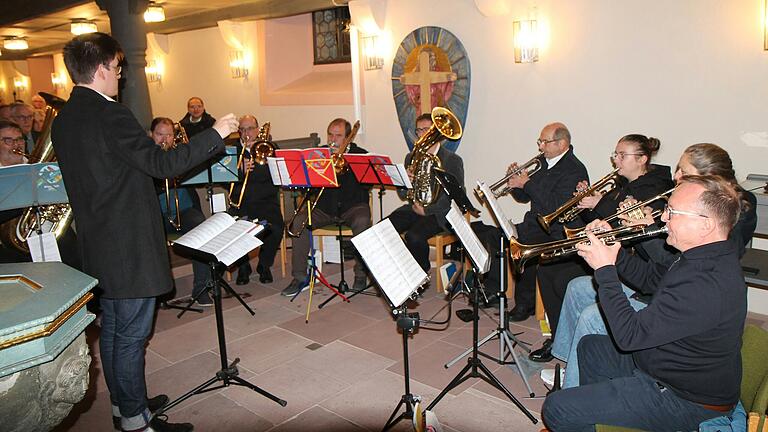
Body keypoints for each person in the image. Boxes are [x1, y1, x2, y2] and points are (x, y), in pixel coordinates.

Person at [51, 32, 239, 432]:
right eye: (117, 68)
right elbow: (162, 165)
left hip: (99, 242)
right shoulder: (110, 114)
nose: (119, 76)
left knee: (116, 331)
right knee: (132, 335)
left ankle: (125, 404)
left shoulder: (66, 118)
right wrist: (216, 134)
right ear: (102, 69)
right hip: (128, 244)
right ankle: (136, 422)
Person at [542, 174, 747, 431]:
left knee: (557, 408)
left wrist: (605, 270)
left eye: (672, 212)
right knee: (591, 347)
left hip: (685, 400)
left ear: (705, 225)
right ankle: (599, 419)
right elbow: (651, 280)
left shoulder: (707, 283)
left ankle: (590, 411)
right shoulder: (702, 256)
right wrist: (614, 252)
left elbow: (630, 336)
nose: (663, 217)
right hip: (667, 367)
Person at [529, 134, 673, 363]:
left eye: (622, 155)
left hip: (627, 258)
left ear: (642, 159)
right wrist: (586, 203)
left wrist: (599, 203)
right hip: (609, 247)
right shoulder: (622, 183)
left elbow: (621, 226)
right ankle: (559, 341)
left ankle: (577, 346)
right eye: (616, 154)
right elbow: (601, 219)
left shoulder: (653, 187)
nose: (616, 160)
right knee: (547, 269)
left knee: (561, 278)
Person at [500, 122, 589, 321]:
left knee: (524, 245)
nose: (540, 146)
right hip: (536, 222)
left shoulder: (575, 169)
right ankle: (497, 293)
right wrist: (515, 183)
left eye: (544, 142)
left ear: (562, 143)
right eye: (540, 141)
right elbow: (525, 198)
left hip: (557, 228)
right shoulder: (541, 162)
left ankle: (525, 303)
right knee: (500, 237)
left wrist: (527, 184)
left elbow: (557, 207)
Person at [282, 118, 372, 296]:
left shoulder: (360, 155)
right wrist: (321, 166)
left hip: (352, 207)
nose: (333, 139)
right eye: (330, 134)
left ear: (348, 138)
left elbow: (367, 185)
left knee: (363, 220)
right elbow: (308, 185)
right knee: (299, 221)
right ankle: (300, 277)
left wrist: (346, 164)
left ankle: (361, 275)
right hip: (324, 208)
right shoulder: (319, 154)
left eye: (338, 135)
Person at [387, 112, 464, 273]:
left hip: (439, 213)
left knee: (414, 236)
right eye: (419, 130)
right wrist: (405, 181)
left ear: (437, 132)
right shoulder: (411, 157)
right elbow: (404, 195)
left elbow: (454, 196)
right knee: (384, 229)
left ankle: (420, 273)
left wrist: (426, 210)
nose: (422, 134)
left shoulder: (452, 160)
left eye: (426, 130)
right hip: (415, 207)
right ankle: (397, 271)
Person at [150, 117, 213, 306]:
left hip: (184, 210)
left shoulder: (180, 154)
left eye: (169, 135)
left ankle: (201, 288)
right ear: (151, 135)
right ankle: (158, 292)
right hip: (155, 213)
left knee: (201, 227)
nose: (164, 139)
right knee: (148, 238)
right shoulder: (145, 156)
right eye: (160, 134)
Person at [227, 114, 283, 285]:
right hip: (241, 203)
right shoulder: (231, 151)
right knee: (233, 229)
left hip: (266, 201)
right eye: (242, 129)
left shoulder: (270, 147)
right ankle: (243, 267)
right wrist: (238, 169)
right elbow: (224, 181)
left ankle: (264, 266)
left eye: (250, 128)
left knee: (276, 227)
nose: (246, 133)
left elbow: (278, 177)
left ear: (258, 130)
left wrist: (264, 162)